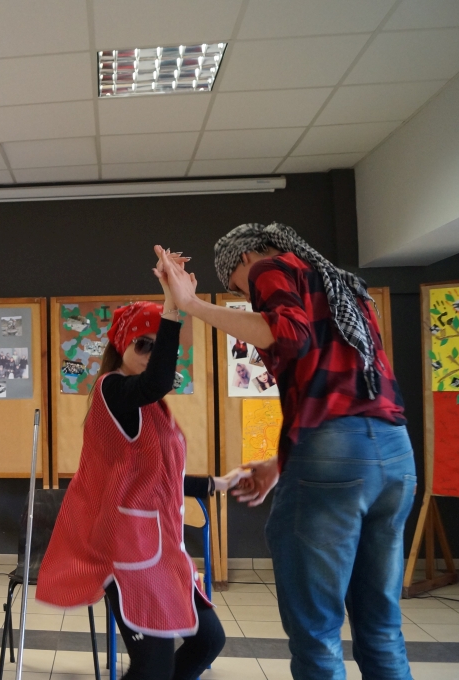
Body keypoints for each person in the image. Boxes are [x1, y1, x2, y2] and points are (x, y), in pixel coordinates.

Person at [158, 224, 412, 680]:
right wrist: (281, 463)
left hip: (333, 454)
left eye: (238, 288)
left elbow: (288, 335)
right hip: (394, 455)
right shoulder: (339, 284)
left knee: (317, 633)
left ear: (244, 258)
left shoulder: (270, 266)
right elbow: (343, 389)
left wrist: (192, 304)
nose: (247, 298)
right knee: (381, 629)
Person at [37, 273, 248, 680]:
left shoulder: (152, 407)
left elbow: (157, 478)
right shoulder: (113, 391)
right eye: (143, 344)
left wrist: (217, 484)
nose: (152, 353)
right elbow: (158, 381)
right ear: (121, 346)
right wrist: (172, 307)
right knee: (153, 667)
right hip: (128, 552)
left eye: (158, 344)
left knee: (208, 641)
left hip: (164, 551)